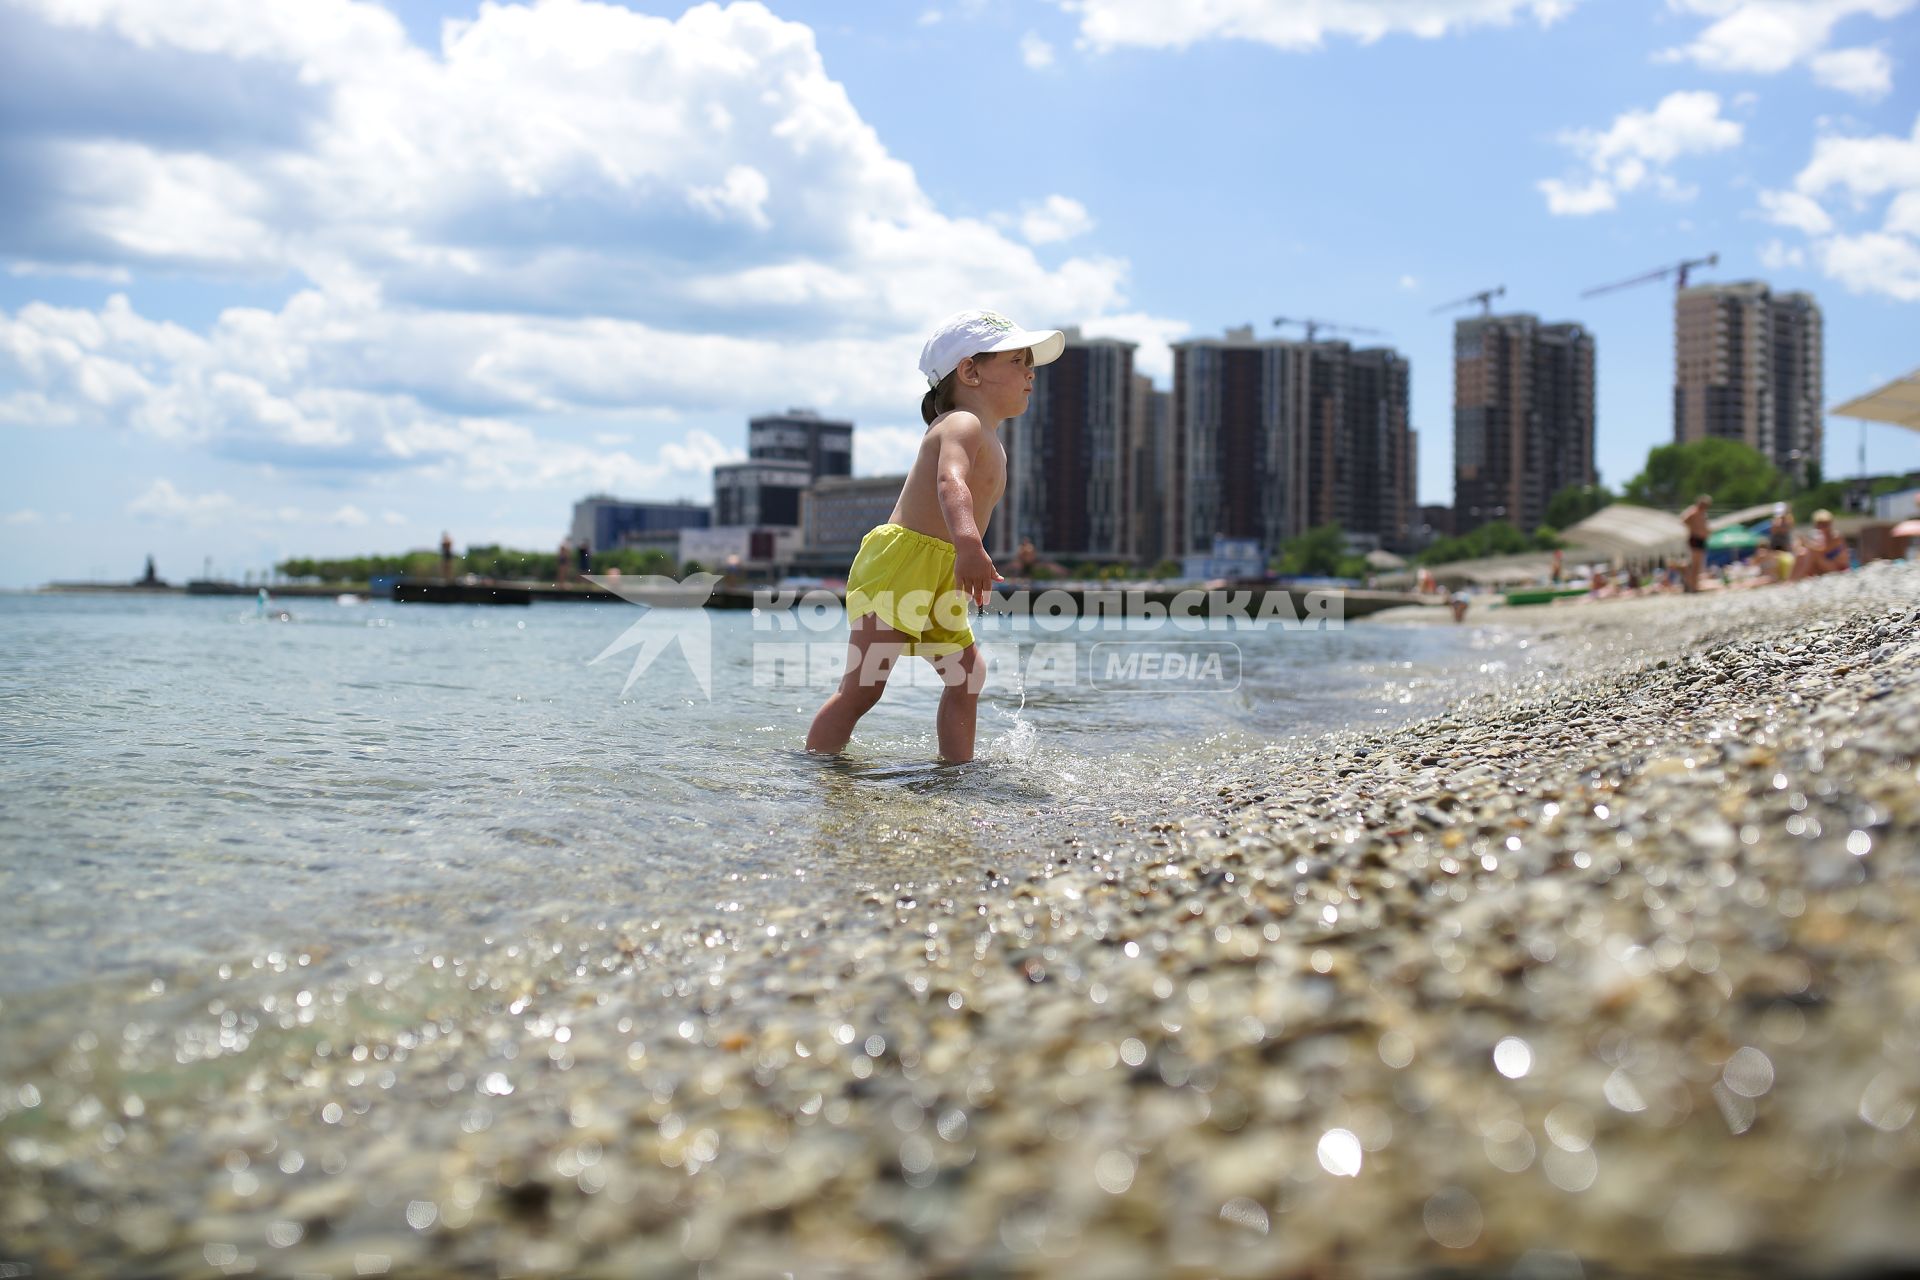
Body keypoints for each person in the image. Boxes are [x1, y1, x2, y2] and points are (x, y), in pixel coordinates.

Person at [806, 310, 1064, 763]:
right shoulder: (960, 423)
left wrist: (966, 558)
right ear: (970, 371)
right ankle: (814, 767)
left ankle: (955, 771)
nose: (1030, 373)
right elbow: (951, 484)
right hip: (901, 563)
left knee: (968, 675)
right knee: (864, 687)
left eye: (1030, 364)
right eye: (1016, 361)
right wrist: (969, 544)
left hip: (942, 569)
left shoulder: (992, 439)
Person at [1792, 509, 1850, 580]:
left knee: (1812, 552)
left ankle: (1797, 578)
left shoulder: (1835, 536)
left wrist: (1805, 542)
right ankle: (1792, 579)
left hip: (1837, 568)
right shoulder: (1819, 536)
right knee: (1801, 553)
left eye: (1824, 524)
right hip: (1823, 566)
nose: (1822, 527)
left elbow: (1821, 549)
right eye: (1819, 524)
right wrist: (1800, 543)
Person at [1681, 494, 1711, 592]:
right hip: (1695, 539)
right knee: (1695, 565)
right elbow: (1684, 520)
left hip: (1701, 540)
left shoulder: (1703, 513)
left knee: (1698, 565)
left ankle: (1695, 585)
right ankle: (1693, 586)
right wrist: (1693, 529)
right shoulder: (1693, 511)